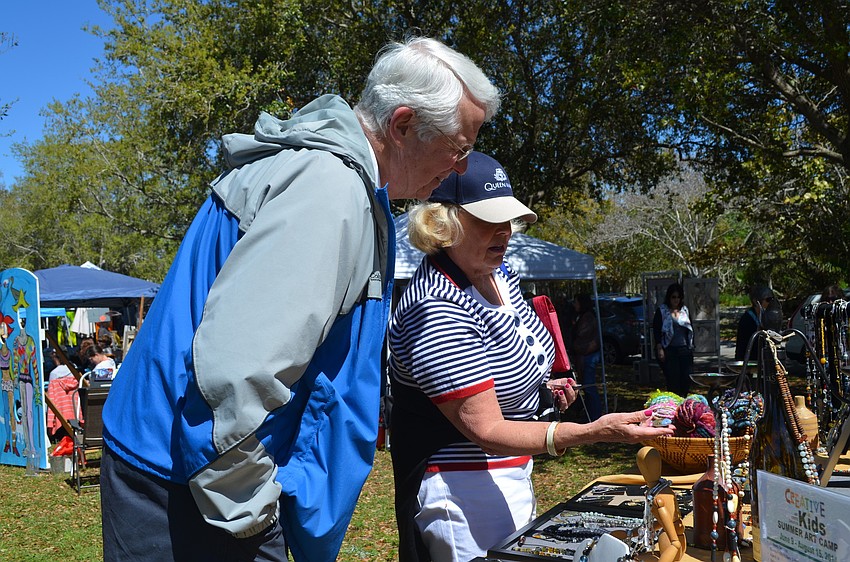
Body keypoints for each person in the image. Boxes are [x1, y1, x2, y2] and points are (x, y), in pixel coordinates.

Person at [99, 37, 501, 562]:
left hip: (180, 474)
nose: (458, 168)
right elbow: (237, 372)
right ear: (402, 125)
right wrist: (254, 518)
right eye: (460, 147)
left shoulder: (327, 177)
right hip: (192, 491)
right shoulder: (329, 190)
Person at [388, 152, 676, 562]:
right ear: (442, 223)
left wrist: (546, 388)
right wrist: (589, 432)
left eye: (508, 221)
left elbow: (516, 355)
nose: (504, 232)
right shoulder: (436, 305)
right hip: (462, 485)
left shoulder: (498, 274)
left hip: (510, 471)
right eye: (489, 221)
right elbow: (484, 428)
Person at [652, 283, 694, 396]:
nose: (676, 300)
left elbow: (690, 329)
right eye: (673, 297)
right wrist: (659, 347)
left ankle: (684, 401)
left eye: (678, 297)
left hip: (684, 349)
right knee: (673, 379)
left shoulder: (685, 311)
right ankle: (674, 405)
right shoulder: (662, 311)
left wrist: (691, 347)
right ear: (669, 297)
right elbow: (656, 330)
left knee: (686, 378)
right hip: (669, 350)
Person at [570, 293, 603, 420]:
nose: (574, 305)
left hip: (589, 355)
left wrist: (576, 344)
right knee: (586, 387)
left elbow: (583, 336)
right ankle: (590, 414)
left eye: (576, 302)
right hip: (584, 355)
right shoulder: (581, 317)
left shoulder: (588, 318)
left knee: (589, 387)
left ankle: (595, 416)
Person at [734, 285, 774, 360]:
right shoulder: (747, 319)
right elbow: (743, 345)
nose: (771, 303)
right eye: (768, 299)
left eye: (772, 299)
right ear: (756, 301)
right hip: (749, 359)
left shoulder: (767, 316)